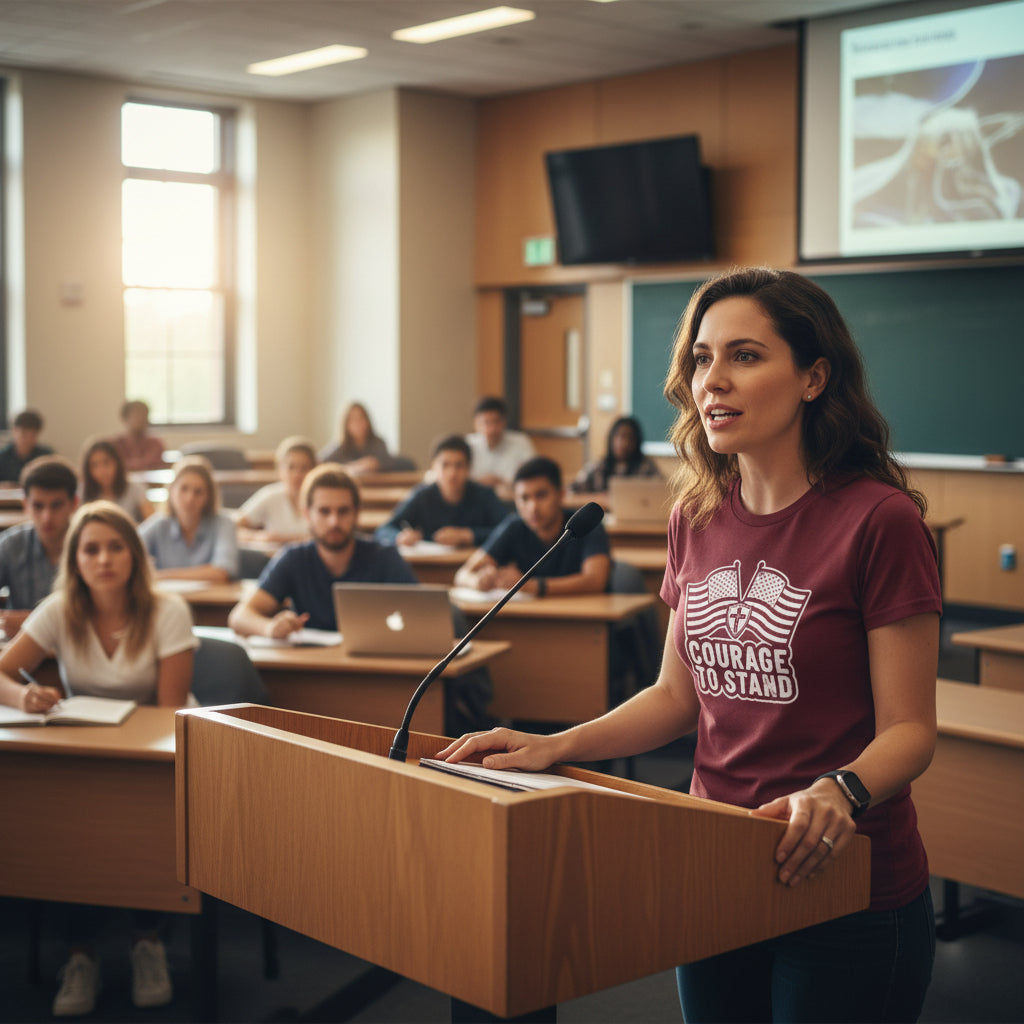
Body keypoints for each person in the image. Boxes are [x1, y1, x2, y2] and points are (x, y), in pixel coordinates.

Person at [439, 267, 941, 1024]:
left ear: (814, 376)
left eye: (744, 356)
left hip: (843, 880)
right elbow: (677, 697)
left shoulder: (879, 520)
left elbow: (911, 730)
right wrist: (555, 745)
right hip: (711, 863)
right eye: (703, 359)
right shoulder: (698, 515)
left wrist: (841, 789)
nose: (713, 381)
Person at [0, 500, 197, 1016]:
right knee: (67, 824)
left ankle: (148, 941)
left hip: (157, 752)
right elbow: (2, 671)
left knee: (141, 818)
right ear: (75, 559)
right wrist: (22, 696)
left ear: (133, 554)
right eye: (91, 549)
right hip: (89, 745)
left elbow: (168, 710)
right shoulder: (59, 608)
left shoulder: (167, 610)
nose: (104, 559)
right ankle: (79, 953)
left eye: (115, 547)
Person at [228, 463, 416, 638]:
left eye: (343, 511)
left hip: (374, 666)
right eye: (324, 511)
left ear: (357, 513)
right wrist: (269, 627)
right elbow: (239, 616)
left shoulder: (385, 557)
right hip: (311, 667)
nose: (334, 522)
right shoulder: (294, 558)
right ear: (307, 514)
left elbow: (423, 614)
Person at [454, 455, 610, 597]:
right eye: (524, 498)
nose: (532, 507)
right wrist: (477, 581)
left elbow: (595, 580)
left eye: (541, 495)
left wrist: (534, 587)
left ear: (561, 495)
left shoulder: (584, 524)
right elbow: (462, 574)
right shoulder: (514, 526)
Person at [375, 434, 507, 548]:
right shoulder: (422, 495)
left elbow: (508, 530)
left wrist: (467, 535)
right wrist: (399, 537)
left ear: (469, 468)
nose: (452, 473)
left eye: (459, 465)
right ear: (434, 466)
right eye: (445, 465)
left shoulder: (485, 495)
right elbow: (383, 530)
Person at [0, 455, 78, 637]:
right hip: (20, 653)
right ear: (25, 505)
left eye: (56, 505)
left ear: (74, 503)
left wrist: (33, 622)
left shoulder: (91, 547)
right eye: (38, 506)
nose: (47, 517)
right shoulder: (12, 545)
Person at [139, 456, 239, 582]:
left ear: (208, 497)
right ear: (171, 491)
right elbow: (129, 552)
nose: (190, 498)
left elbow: (222, 571)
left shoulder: (224, 523)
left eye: (198, 492)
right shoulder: (159, 524)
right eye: (183, 489)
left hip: (212, 601)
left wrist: (162, 575)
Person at [234, 435, 316, 544]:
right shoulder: (270, 495)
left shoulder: (322, 498)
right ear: (280, 469)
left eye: (304, 468)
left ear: (314, 470)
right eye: (291, 467)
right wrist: (258, 537)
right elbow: (233, 528)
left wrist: (283, 539)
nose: (297, 474)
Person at [569, 414, 662, 493]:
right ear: (611, 438)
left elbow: (661, 491)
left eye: (630, 438)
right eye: (620, 436)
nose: (625, 443)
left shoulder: (646, 467)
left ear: (637, 442)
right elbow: (573, 489)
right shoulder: (598, 467)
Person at [465, 396, 535, 488]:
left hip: (511, 497)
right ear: (475, 424)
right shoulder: (467, 444)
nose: (491, 429)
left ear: (504, 421)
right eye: (486, 422)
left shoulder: (521, 442)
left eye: (496, 422)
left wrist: (503, 483)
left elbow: (534, 476)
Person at [80, 437, 154, 523]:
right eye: (95, 465)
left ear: (117, 463)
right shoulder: (82, 492)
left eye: (106, 463)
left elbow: (152, 523)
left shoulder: (135, 488)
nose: (102, 471)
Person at [318, 402, 394, 475]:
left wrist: (373, 464)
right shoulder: (339, 446)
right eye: (353, 419)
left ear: (367, 421)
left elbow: (387, 463)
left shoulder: (378, 443)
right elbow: (321, 462)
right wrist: (354, 467)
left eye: (361, 418)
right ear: (346, 424)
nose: (358, 423)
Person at [0, 409, 55, 484]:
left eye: (32, 435)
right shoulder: (3, 456)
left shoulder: (46, 457)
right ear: (14, 431)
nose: (28, 440)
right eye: (24, 434)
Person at [111, 399, 165, 471]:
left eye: (145, 415)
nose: (142, 419)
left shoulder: (155, 443)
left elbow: (152, 463)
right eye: (137, 415)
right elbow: (115, 465)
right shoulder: (116, 444)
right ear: (125, 418)